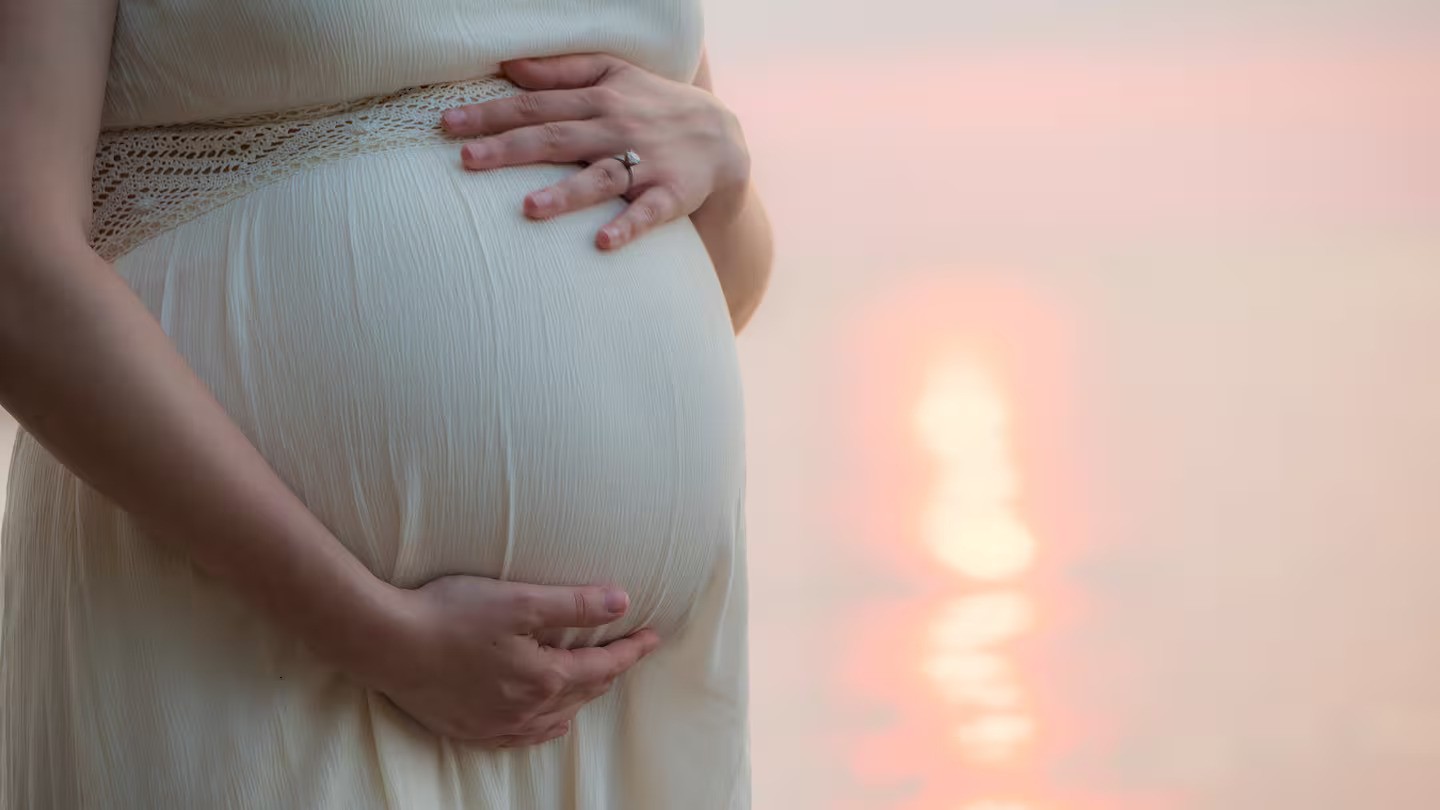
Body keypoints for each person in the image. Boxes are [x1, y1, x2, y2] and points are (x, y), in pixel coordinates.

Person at [0, 0, 772, 806]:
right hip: (254, 640)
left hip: (622, 706)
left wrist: (725, 170)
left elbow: (733, 288)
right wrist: (374, 634)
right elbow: (16, 270)